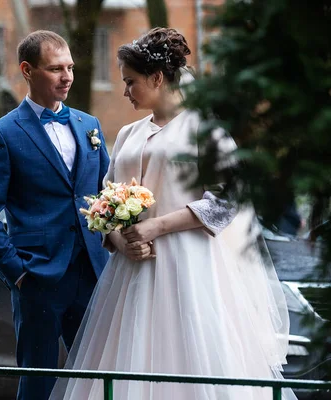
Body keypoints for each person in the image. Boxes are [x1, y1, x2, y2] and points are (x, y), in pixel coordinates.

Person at [49, 27, 296, 400]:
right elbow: (105, 198)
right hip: (132, 269)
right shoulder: (129, 133)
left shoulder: (203, 129)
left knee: (192, 353)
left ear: (157, 77)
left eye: (131, 82)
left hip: (189, 266)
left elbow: (225, 201)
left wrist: (156, 227)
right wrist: (119, 239)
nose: (125, 91)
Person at [0, 30, 128, 400]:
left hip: (93, 272)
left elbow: (105, 192)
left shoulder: (90, 126)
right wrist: (18, 273)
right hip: (38, 278)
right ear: (27, 70)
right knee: (38, 382)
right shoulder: (2, 134)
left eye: (70, 67)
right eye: (55, 69)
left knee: (98, 379)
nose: (67, 76)